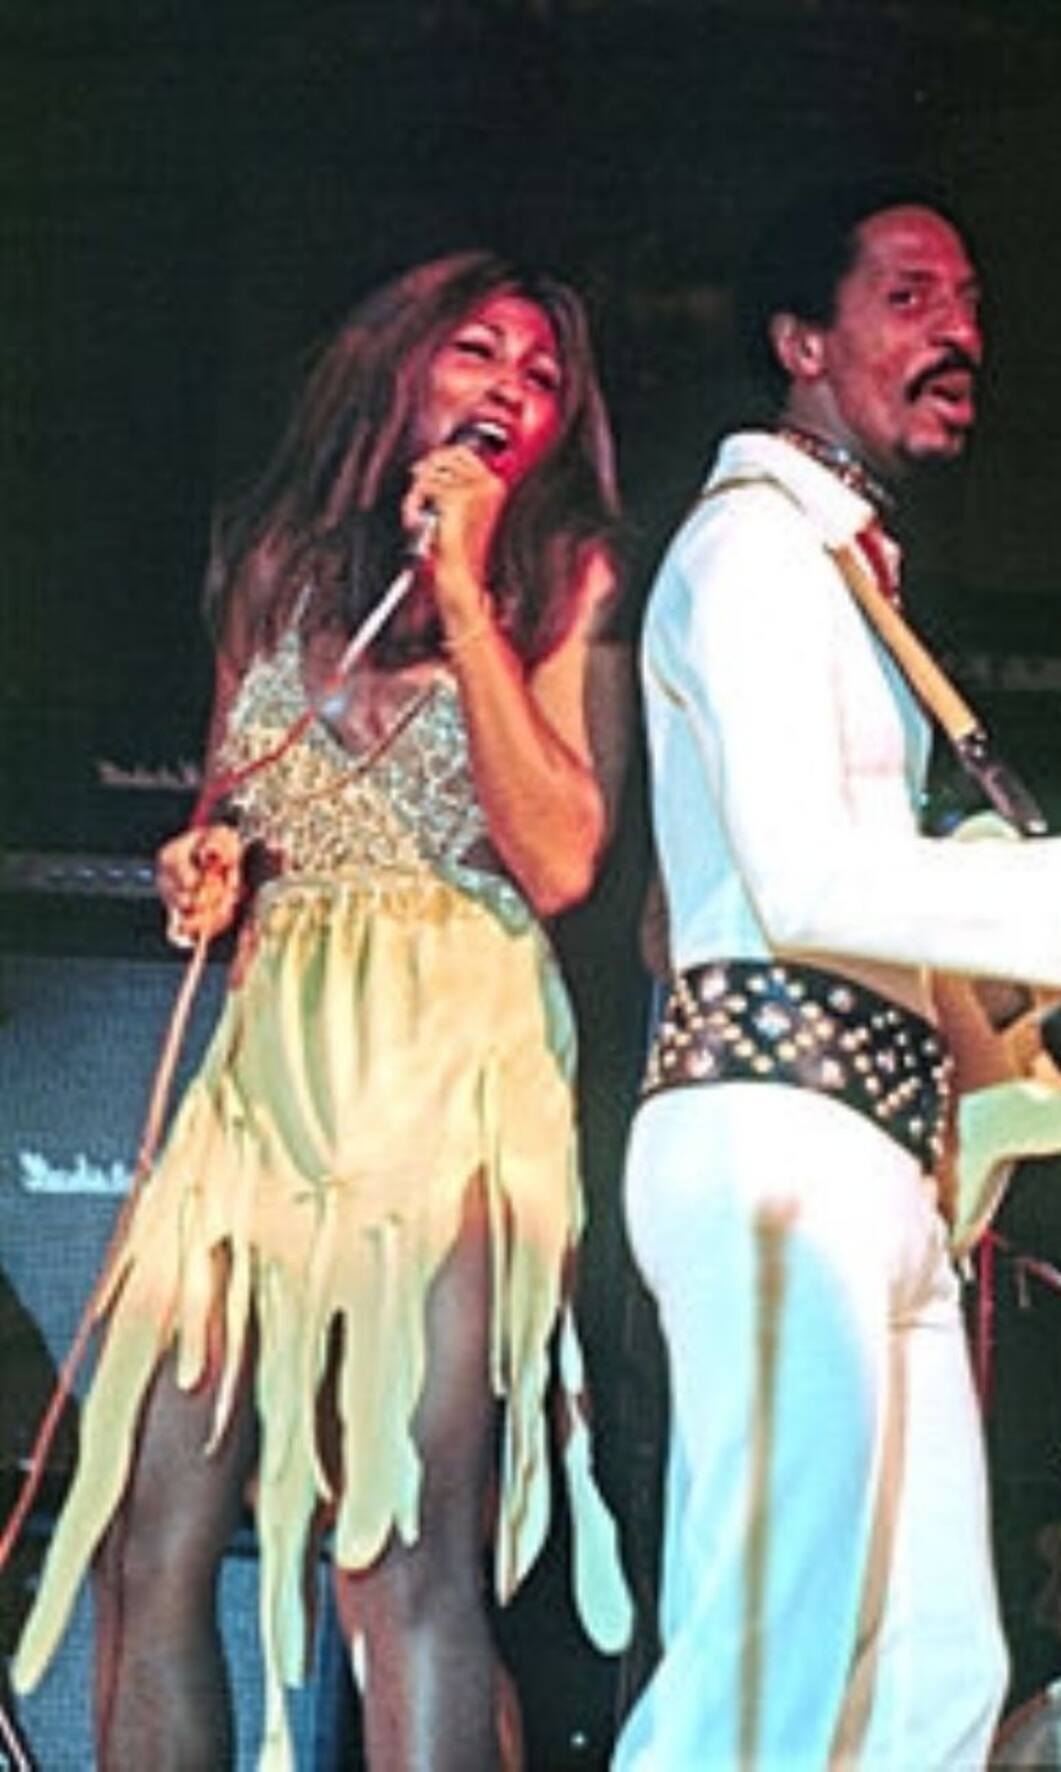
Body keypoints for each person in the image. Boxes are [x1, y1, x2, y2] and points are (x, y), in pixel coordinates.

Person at [11, 250, 633, 1770]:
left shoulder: (569, 576)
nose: (512, 388)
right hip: (271, 1062)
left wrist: (465, 589)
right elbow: (240, 808)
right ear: (400, 366)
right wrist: (208, 863)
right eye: (479, 352)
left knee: (398, 1553)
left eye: (543, 375)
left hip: (450, 1061)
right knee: (147, 1531)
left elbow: (562, 855)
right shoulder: (274, 562)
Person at [612, 180, 1061, 1770]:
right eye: (910, 297)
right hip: (774, 1141)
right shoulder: (751, 550)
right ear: (799, 343)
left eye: (971, 301)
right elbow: (803, 883)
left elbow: (916, 943)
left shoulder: (848, 585)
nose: (960, 331)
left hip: (874, 1151)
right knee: (767, 1663)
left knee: (931, 1677)